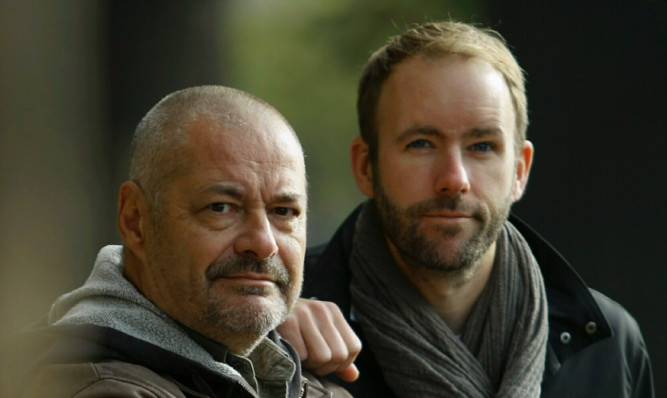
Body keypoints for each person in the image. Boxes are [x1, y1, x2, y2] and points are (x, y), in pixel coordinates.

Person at [277, 21, 655, 397]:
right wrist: (265, 349)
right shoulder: (277, 329)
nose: (454, 178)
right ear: (366, 167)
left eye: (482, 146)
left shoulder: (609, 346)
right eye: (422, 143)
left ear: (520, 171)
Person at [1, 86, 351, 397]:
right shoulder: (98, 387)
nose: (263, 243)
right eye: (221, 208)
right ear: (135, 221)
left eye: (284, 212)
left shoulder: (302, 374)